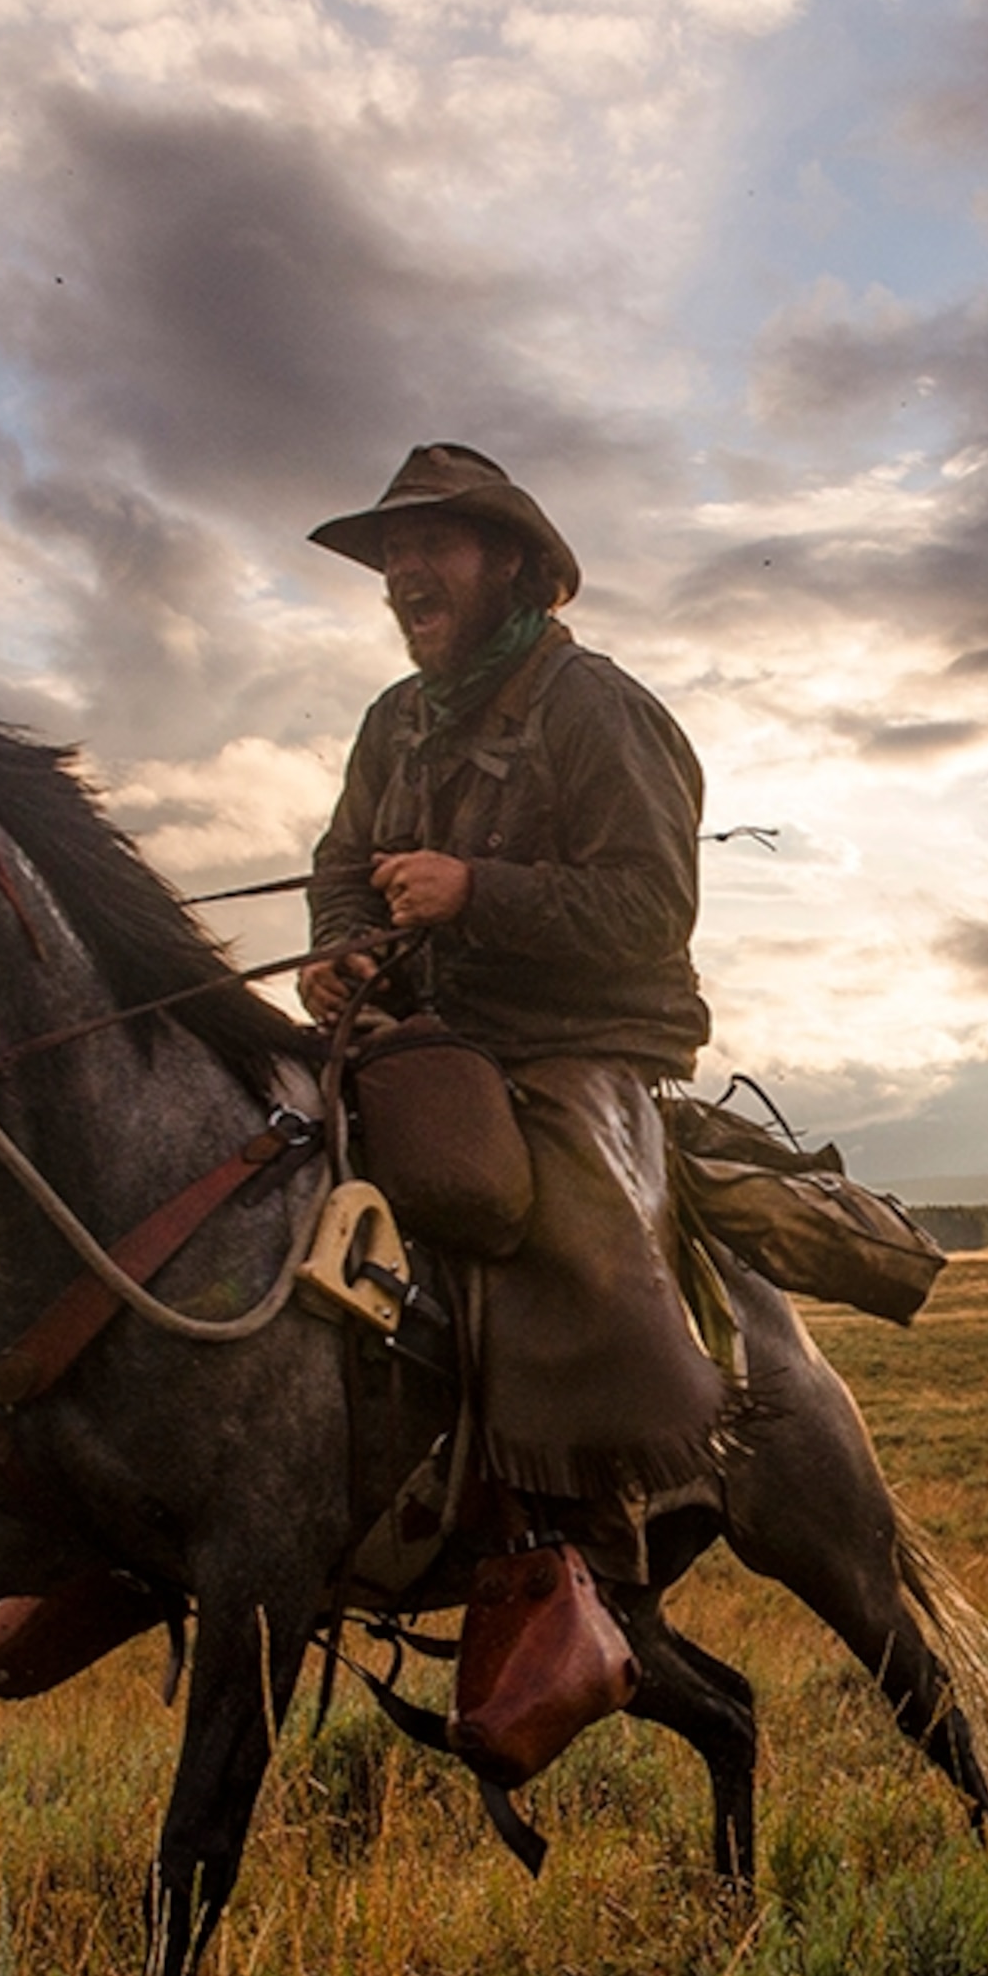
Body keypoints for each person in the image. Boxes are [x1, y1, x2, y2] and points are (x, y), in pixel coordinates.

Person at [303, 443, 735, 1765]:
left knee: (534, 1215)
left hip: (576, 1038)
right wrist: (340, 946)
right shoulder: (395, 719)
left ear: (507, 561)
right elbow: (337, 862)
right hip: (425, 1031)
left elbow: (653, 905)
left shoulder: (595, 705)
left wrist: (476, 891)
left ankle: (588, 1551)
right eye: (390, 554)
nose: (403, 574)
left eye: (430, 546)